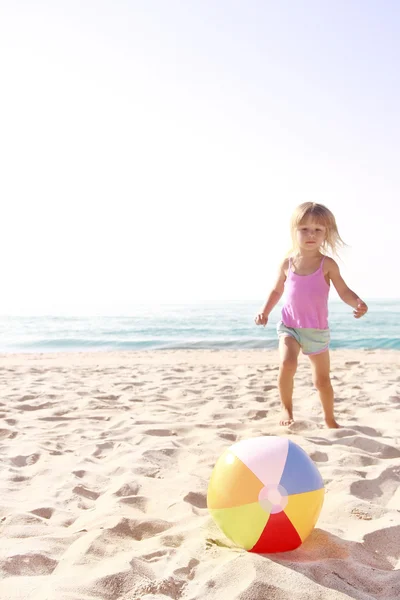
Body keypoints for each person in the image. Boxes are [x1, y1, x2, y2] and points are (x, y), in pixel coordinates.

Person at [255, 202, 368, 428]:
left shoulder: (328, 265)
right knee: (287, 364)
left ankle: (329, 419)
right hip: (290, 327)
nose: (311, 234)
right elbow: (277, 290)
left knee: (322, 381)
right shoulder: (287, 264)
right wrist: (265, 311)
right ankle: (286, 408)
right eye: (304, 229)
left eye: (318, 230)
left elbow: (343, 291)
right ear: (294, 231)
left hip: (316, 331)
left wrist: (356, 302)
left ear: (326, 233)